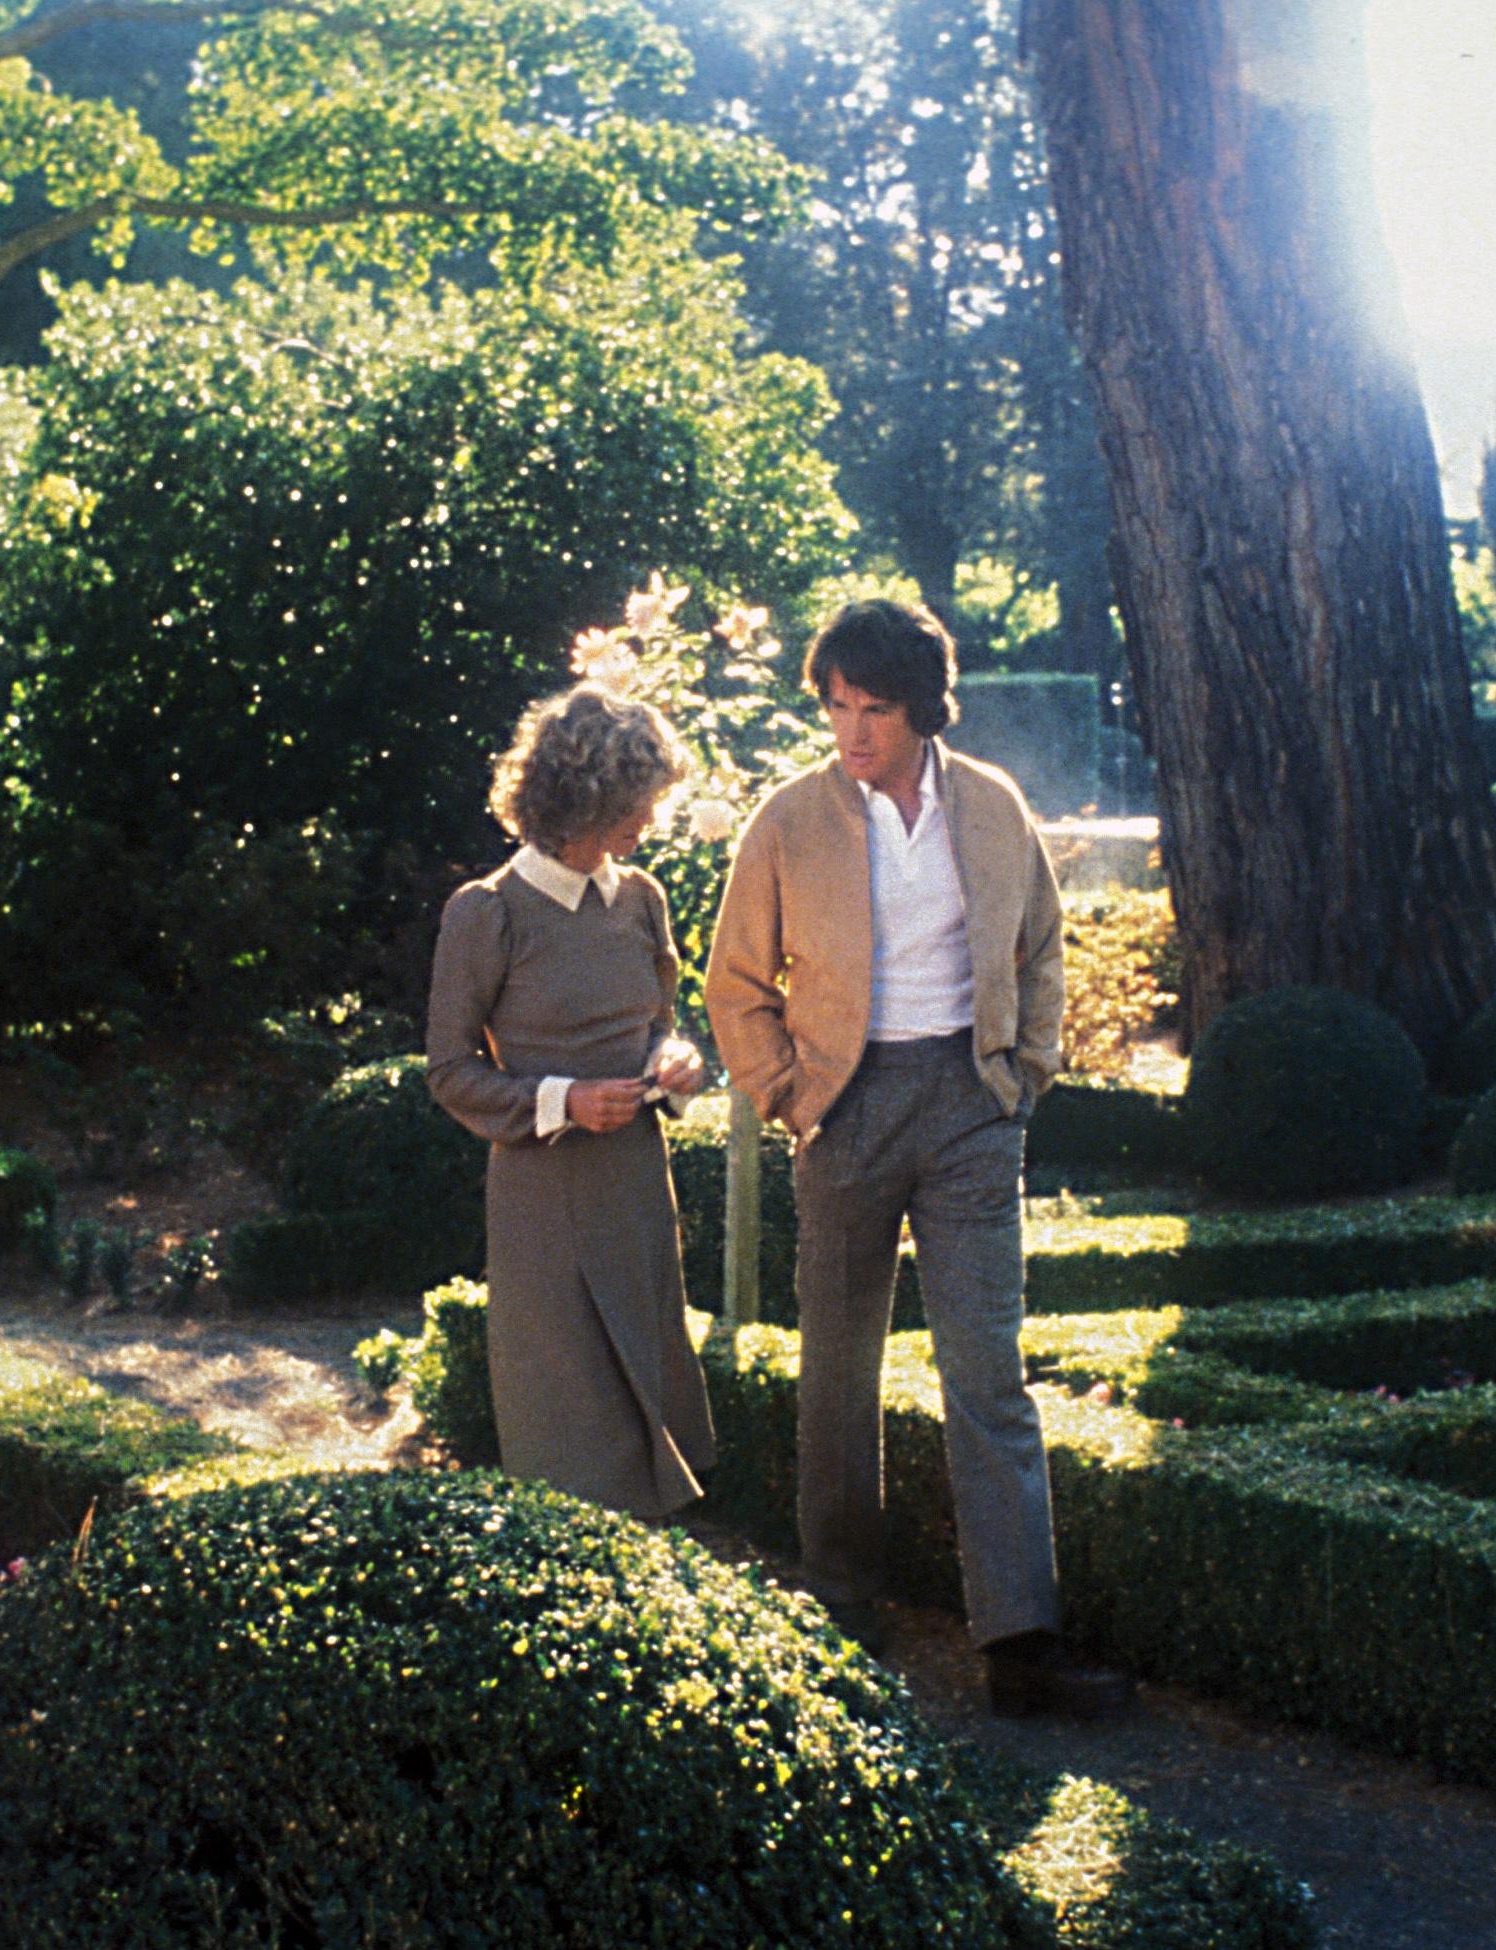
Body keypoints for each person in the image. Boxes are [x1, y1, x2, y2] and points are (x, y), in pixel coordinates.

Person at [703, 597, 1130, 1718]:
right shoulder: (786, 820)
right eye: (836, 707)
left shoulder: (989, 807)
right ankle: (842, 1605)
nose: (850, 732)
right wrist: (791, 1096)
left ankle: (1020, 1642)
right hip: (843, 1108)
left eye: (873, 709)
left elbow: (1042, 946)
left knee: (984, 1373)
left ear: (923, 706)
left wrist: (1022, 1072)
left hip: (968, 1105)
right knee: (835, 1371)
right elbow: (734, 983)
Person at [426, 684, 714, 1520]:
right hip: (545, 1196)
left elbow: (658, 1022)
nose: (649, 821)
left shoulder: (640, 898)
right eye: (637, 803)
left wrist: (674, 1058)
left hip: (636, 1184)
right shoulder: (488, 913)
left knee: (652, 1389)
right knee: (570, 1425)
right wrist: (564, 1101)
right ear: (580, 798)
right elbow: (448, 1072)